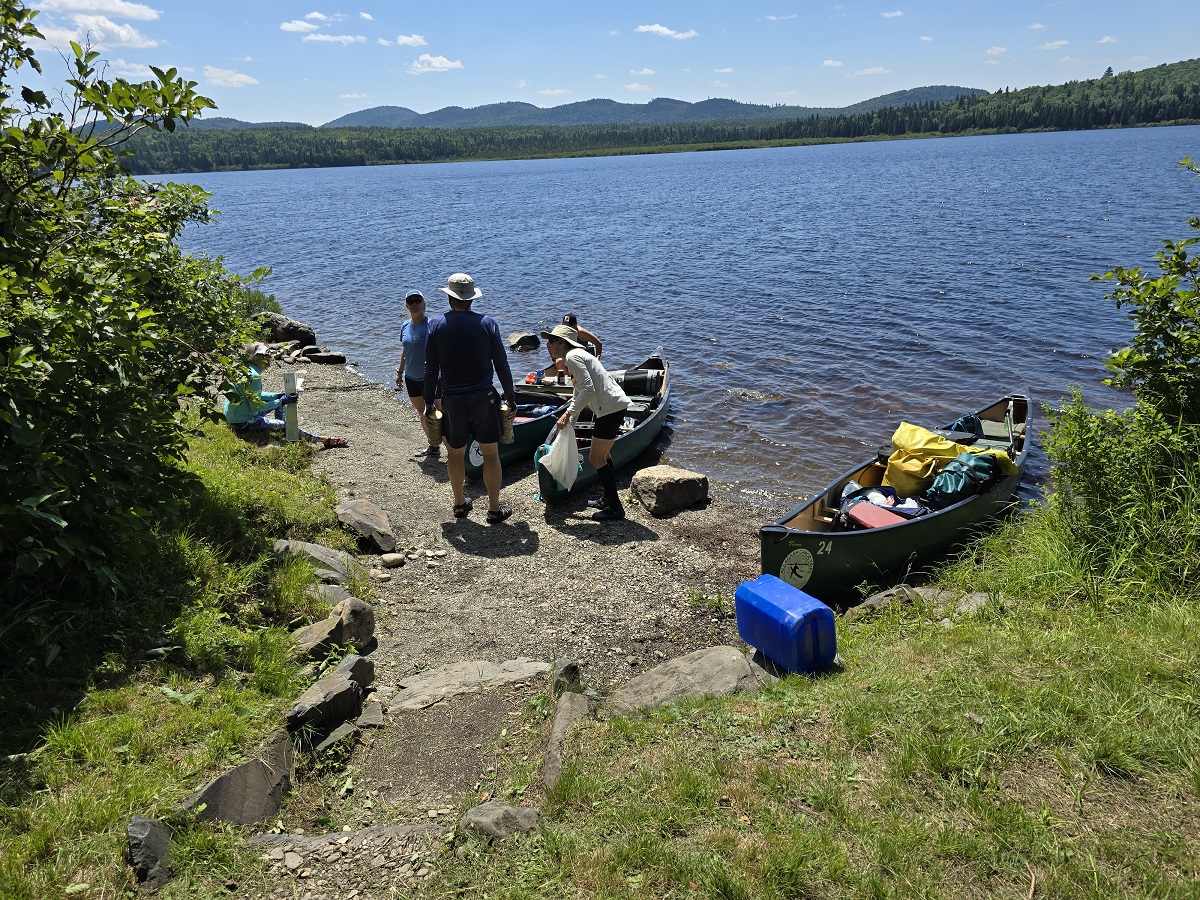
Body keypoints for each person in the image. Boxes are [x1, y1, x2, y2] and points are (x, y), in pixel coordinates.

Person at [423, 273, 517, 524]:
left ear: (449, 297)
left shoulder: (435, 325)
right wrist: (510, 397)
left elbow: (430, 369)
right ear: (472, 299)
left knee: (455, 454)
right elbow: (502, 364)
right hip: (483, 398)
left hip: (452, 399)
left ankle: (459, 504)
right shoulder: (488, 324)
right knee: (490, 453)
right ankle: (494, 509)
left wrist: (429, 403)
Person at [539, 323, 630, 521]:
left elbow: (588, 389)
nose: (548, 344)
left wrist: (567, 414)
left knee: (596, 459)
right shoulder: (577, 355)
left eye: (551, 341)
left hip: (610, 408)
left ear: (562, 343)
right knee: (603, 456)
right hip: (612, 406)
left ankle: (615, 508)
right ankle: (608, 499)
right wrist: (570, 420)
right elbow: (579, 391)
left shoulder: (572, 357)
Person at [224, 342, 347, 448]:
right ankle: (322, 440)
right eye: (266, 357)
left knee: (279, 404)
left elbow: (256, 396)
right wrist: (281, 401)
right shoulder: (254, 376)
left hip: (233, 415)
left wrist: (277, 396)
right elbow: (255, 406)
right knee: (286, 424)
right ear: (256, 358)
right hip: (242, 422)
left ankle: (279, 429)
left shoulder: (243, 368)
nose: (270, 360)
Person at [394, 289, 441, 460]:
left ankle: (454, 449)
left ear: (424, 304)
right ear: (406, 306)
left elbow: (441, 351)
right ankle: (433, 446)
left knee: (438, 413)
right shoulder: (405, 326)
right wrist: (400, 372)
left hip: (431, 378)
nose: (414, 304)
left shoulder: (432, 325)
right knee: (422, 413)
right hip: (411, 377)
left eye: (417, 301)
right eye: (411, 302)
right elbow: (405, 351)